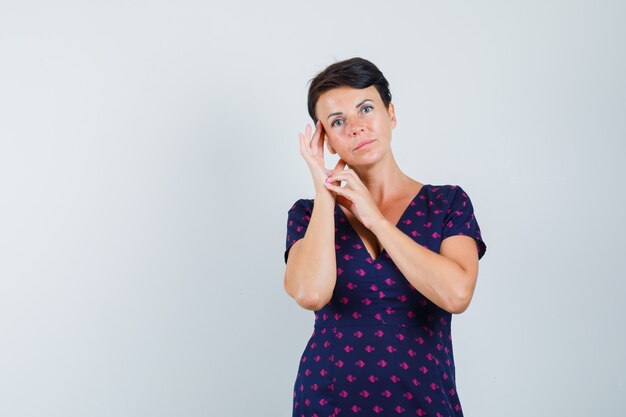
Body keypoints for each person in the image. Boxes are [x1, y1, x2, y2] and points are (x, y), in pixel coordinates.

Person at [283, 57, 487, 417]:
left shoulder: (446, 203)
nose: (356, 128)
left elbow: (456, 294)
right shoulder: (308, 214)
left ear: (391, 114)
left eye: (366, 109)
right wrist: (324, 190)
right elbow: (310, 293)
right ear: (325, 139)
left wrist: (375, 220)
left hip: (424, 404)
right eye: (337, 122)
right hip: (326, 404)